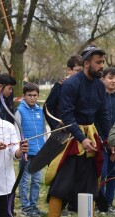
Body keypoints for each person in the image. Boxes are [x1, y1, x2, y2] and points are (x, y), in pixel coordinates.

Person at [46, 45, 111, 216]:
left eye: (103, 62)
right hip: (69, 138)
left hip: (91, 138)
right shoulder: (70, 84)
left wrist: (111, 143)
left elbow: (103, 115)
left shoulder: (99, 86)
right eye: (98, 62)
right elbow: (67, 115)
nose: (102, 65)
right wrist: (82, 139)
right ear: (87, 64)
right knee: (59, 187)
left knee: (90, 189)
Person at [14, 82, 46, 216]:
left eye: (35, 95)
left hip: (39, 152)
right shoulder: (19, 111)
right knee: (25, 180)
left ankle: (34, 206)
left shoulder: (40, 110)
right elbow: (16, 132)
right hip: (27, 152)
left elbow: (44, 130)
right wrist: (20, 149)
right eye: (29, 95)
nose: (32, 98)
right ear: (24, 96)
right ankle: (25, 207)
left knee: (37, 180)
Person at [44, 55, 83, 130]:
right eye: (78, 71)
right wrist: (57, 126)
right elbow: (47, 108)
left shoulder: (83, 87)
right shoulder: (59, 86)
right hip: (63, 132)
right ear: (69, 70)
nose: (81, 74)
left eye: (82, 71)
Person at [97, 67, 115, 211]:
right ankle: (100, 203)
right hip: (100, 142)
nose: (113, 81)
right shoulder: (97, 96)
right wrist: (104, 140)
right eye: (110, 77)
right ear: (103, 78)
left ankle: (108, 203)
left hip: (114, 143)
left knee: (112, 174)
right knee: (101, 173)